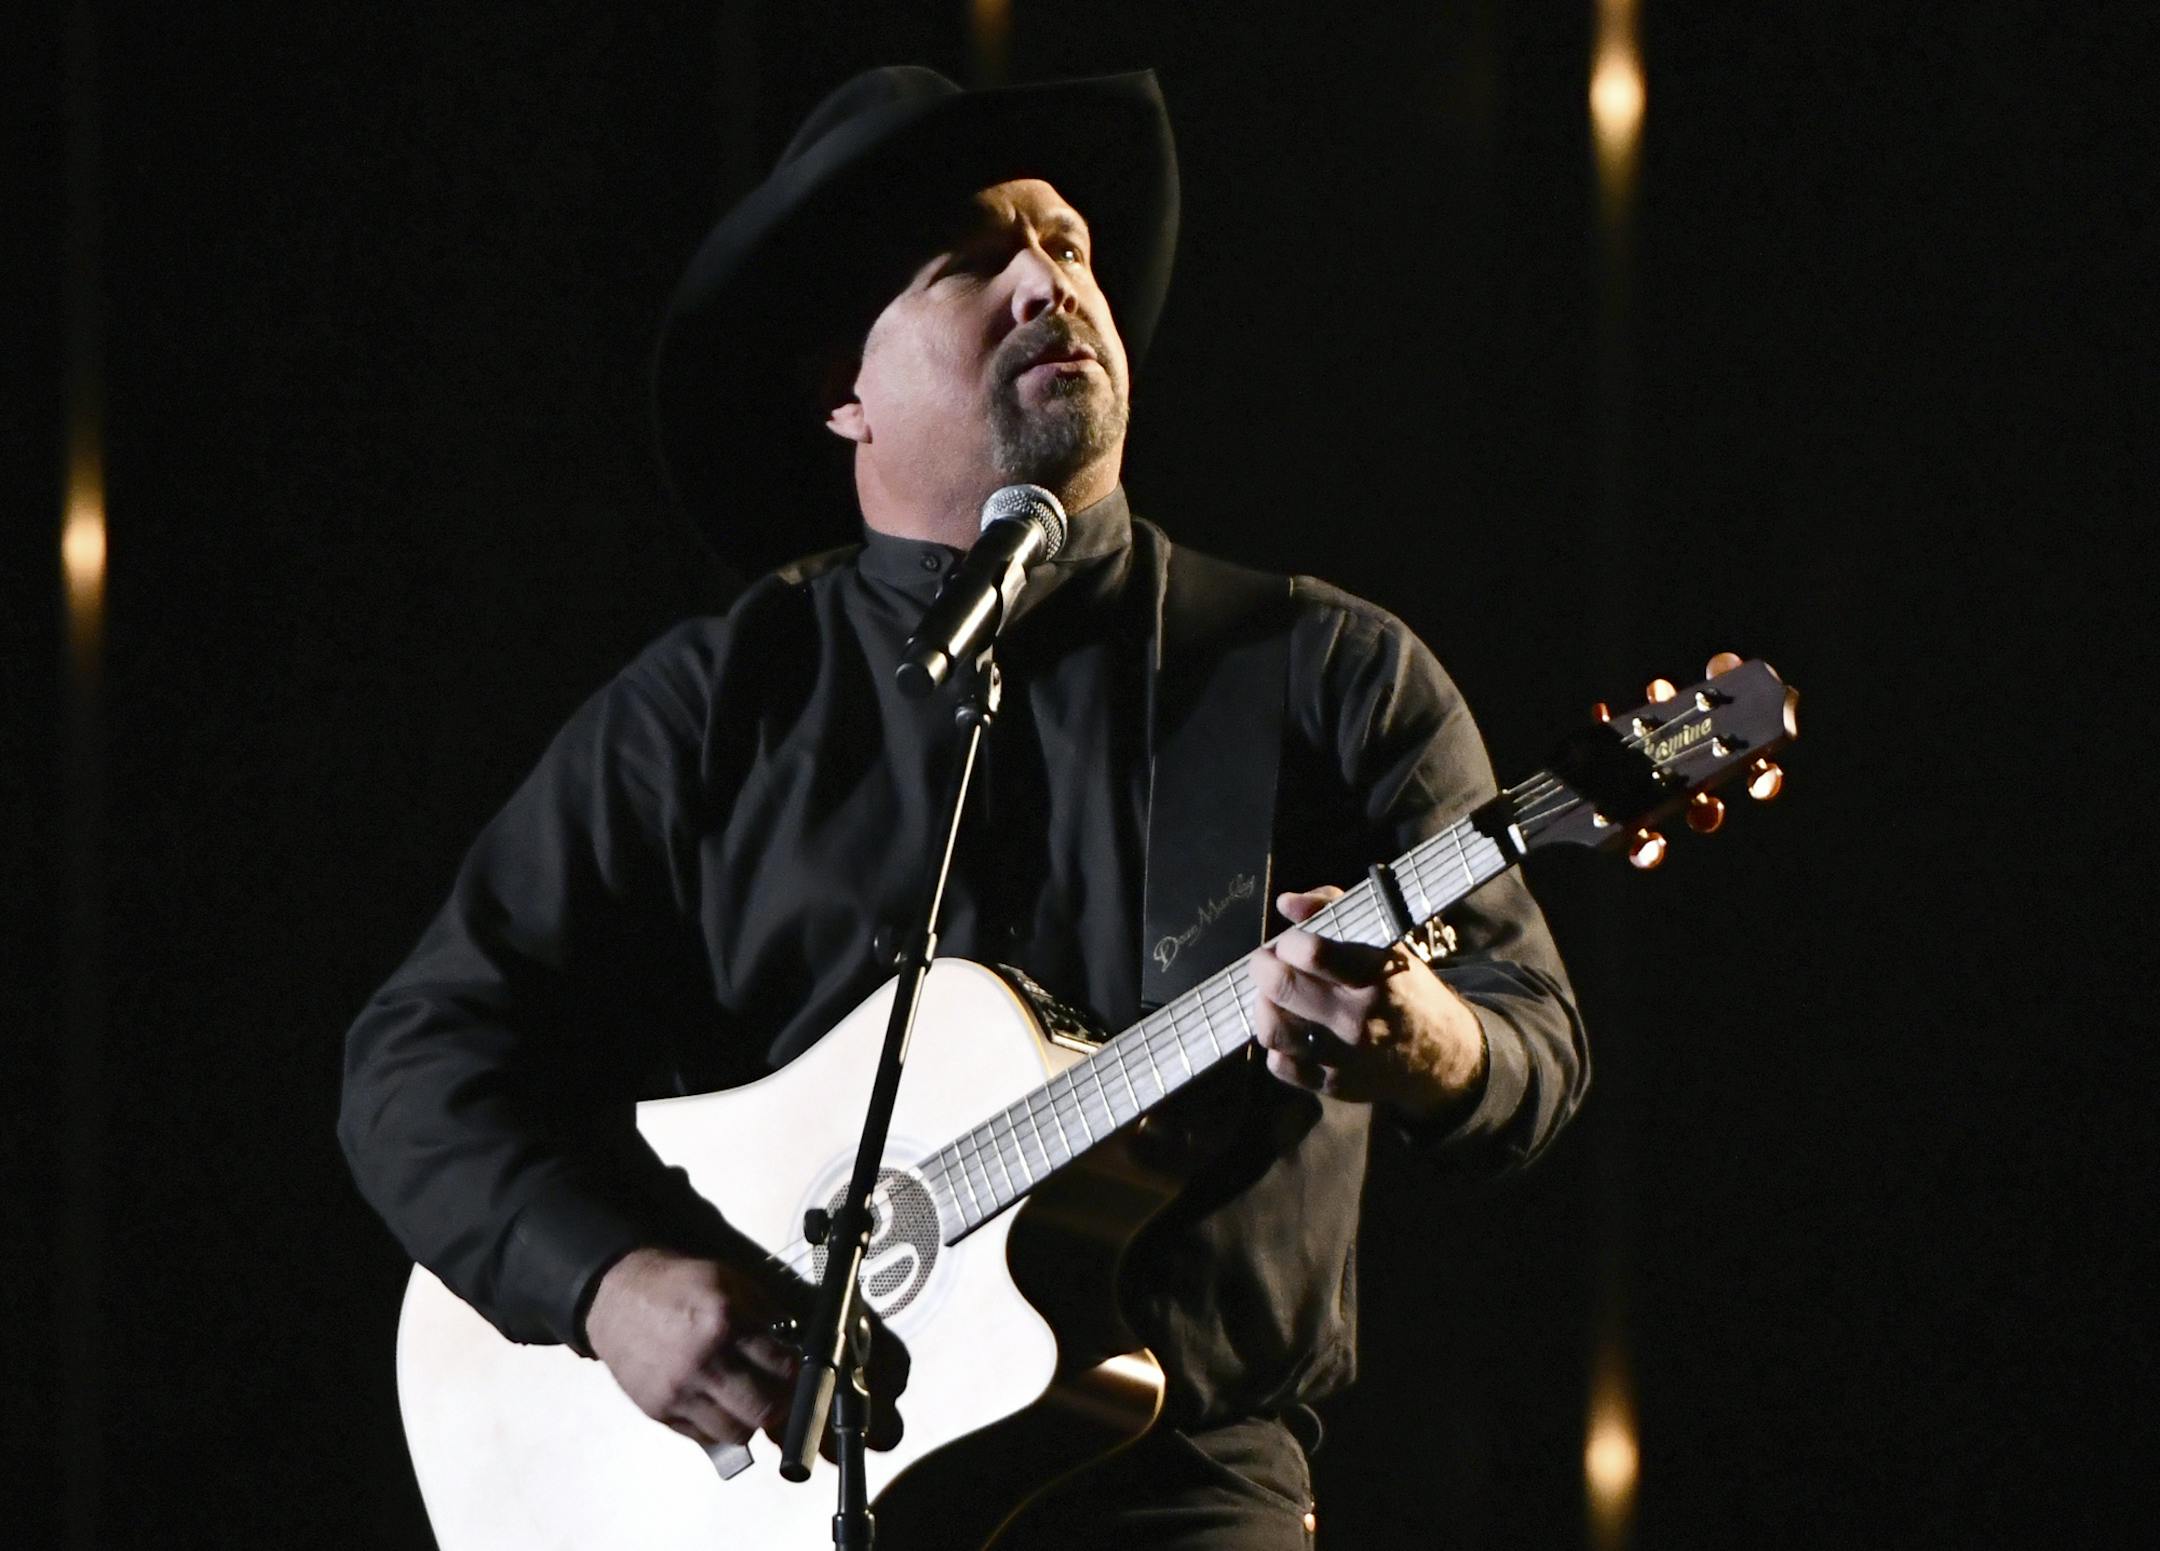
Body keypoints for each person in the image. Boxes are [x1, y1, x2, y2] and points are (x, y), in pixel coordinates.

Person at [340, 66, 1587, 1549]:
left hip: (1172, 1496)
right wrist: (611, 1284)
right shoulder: (717, 705)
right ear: (842, 395)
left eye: (1064, 244)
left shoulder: (1320, 673)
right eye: (970, 261)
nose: (1045, 282)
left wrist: (1425, 1043)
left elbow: (1535, 1046)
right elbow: (419, 1060)